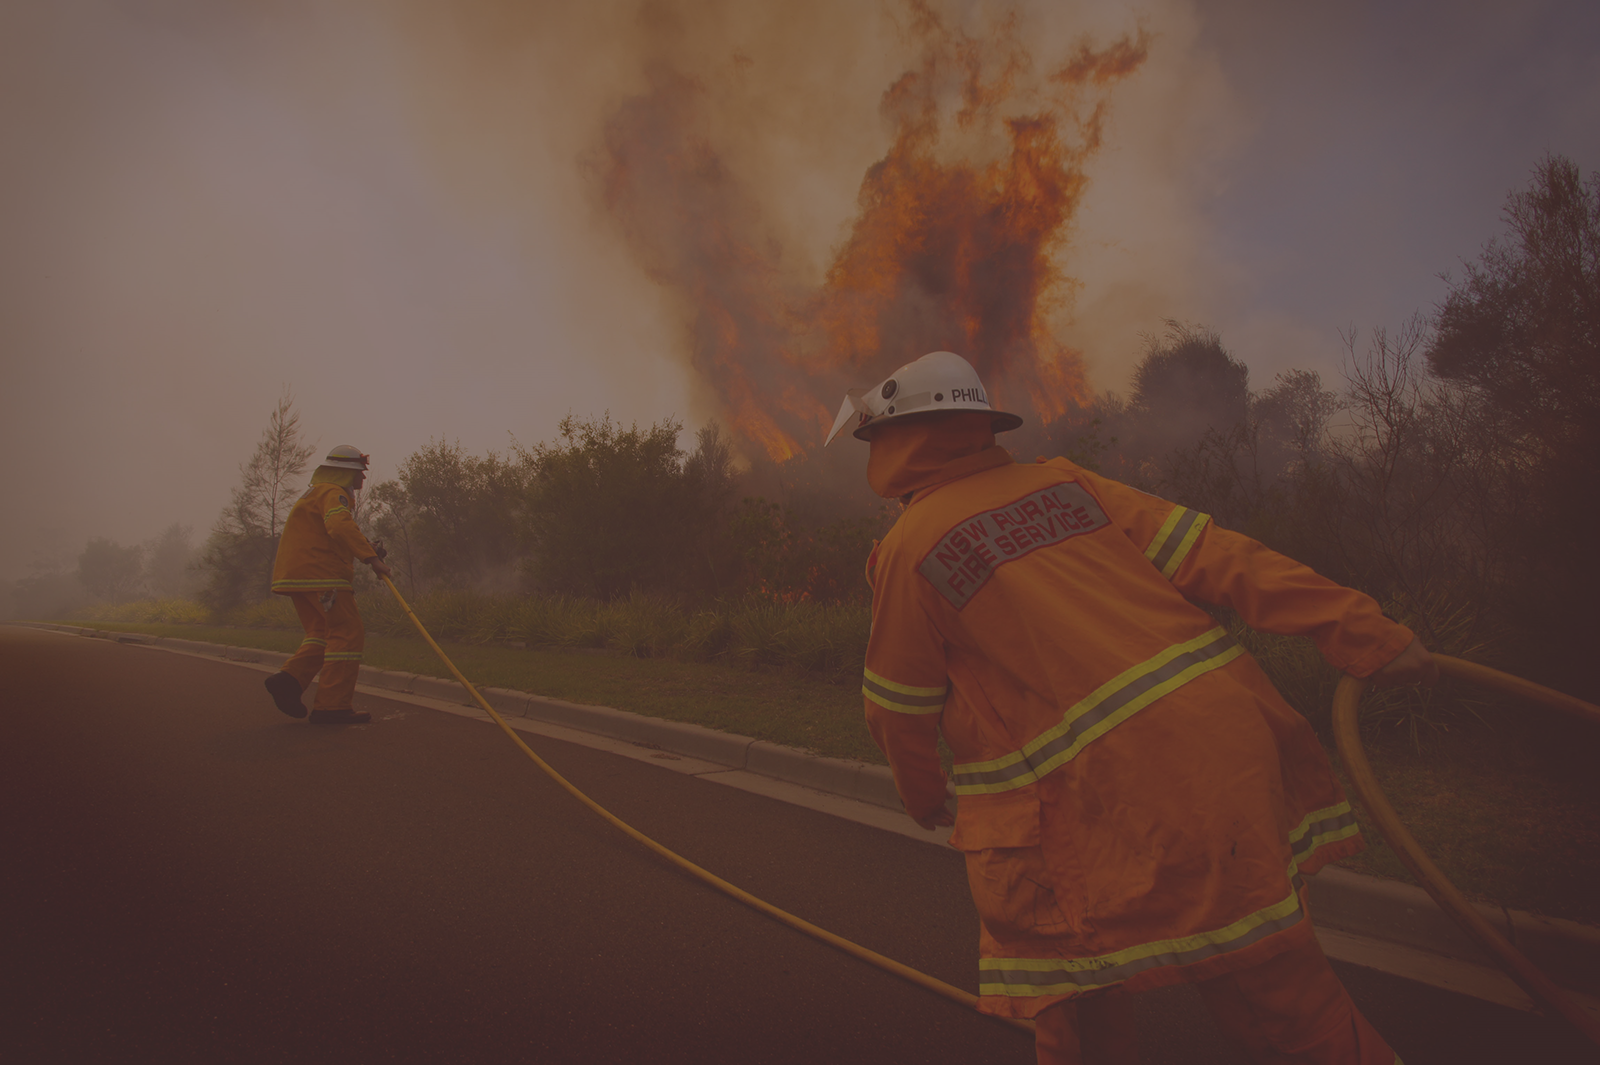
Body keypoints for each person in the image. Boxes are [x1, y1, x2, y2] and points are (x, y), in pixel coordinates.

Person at [825, 351, 1433, 1065]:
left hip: (1099, 805)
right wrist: (1364, 630)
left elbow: (897, 705)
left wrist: (925, 794)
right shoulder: (1066, 483)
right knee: (1286, 1001)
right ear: (979, 427)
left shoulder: (910, 546)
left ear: (896, 441)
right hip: (1227, 759)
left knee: (1072, 994)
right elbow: (1218, 554)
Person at [262, 445, 393, 725]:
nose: (362, 479)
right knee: (347, 633)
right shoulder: (334, 493)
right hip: (322, 575)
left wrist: (366, 545)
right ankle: (332, 707)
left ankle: (288, 681)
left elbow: (331, 529)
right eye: (359, 473)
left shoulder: (316, 492)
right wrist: (372, 560)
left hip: (298, 574)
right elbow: (338, 526)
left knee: (322, 632)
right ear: (344, 472)